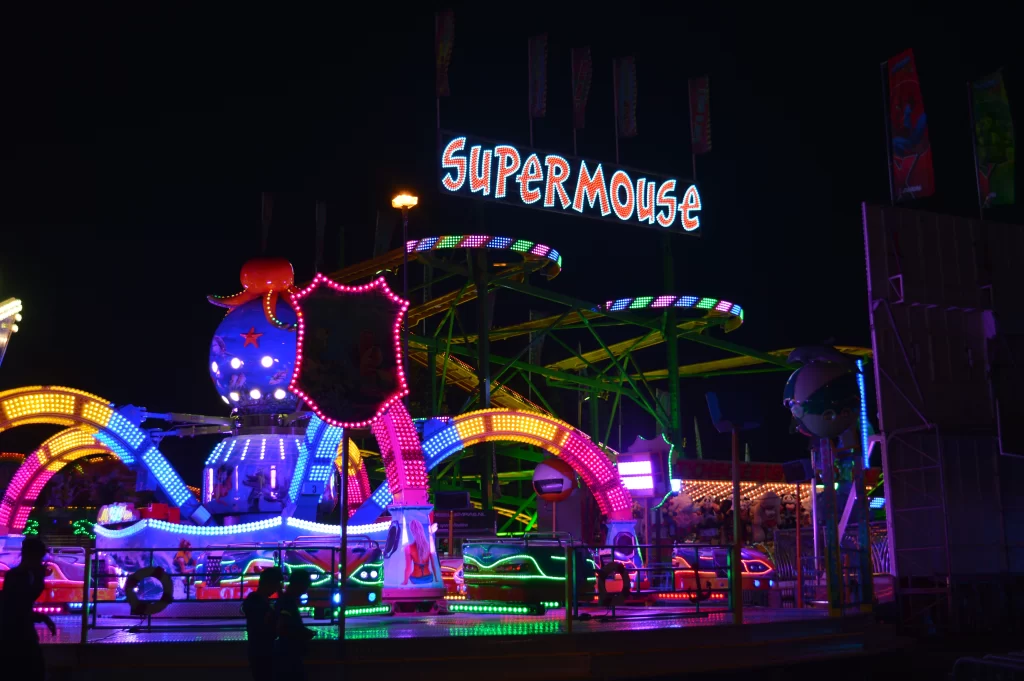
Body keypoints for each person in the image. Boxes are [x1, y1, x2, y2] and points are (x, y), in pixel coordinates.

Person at [0, 537, 56, 681]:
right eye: (39, 558)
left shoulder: (18, 574)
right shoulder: (22, 576)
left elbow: (18, 606)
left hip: (14, 632)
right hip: (17, 634)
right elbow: (17, 608)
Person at [273, 570, 315, 681]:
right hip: (289, 654)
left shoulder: (285, 600)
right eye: (305, 586)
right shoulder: (288, 602)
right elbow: (284, 626)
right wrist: (302, 633)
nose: (306, 589)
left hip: (286, 652)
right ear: (299, 584)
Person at [243, 566, 283, 681]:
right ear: (268, 583)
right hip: (262, 651)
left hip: (259, 650)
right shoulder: (257, 602)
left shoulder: (256, 600)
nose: (276, 589)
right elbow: (264, 627)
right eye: (276, 585)